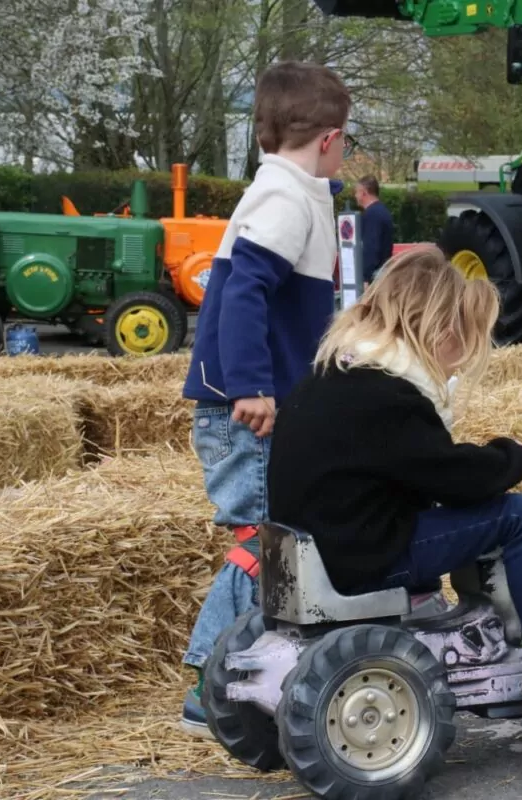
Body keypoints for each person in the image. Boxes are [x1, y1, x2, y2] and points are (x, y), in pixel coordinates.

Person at [265, 245, 522, 719]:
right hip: (360, 557)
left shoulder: (331, 376)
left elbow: (413, 469)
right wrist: (513, 453)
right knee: (517, 517)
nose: (460, 362)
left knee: (432, 513)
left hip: (322, 548)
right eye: (463, 341)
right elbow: (460, 480)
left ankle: (439, 614)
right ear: (441, 329)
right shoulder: (389, 398)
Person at [178, 59, 353, 737]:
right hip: (246, 408)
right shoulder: (284, 197)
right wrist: (250, 385)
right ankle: (211, 682)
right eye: (346, 139)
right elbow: (243, 292)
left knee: (278, 538)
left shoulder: (296, 191)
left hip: (267, 403)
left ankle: (249, 672)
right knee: (263, 542)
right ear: (330, 139)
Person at [355, 175, 395, 288]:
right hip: (384, 271)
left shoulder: (372, 215)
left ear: (364, 193)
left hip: (375, 276)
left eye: (357, 192)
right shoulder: (382, 211)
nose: (355, 196)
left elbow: (371, 247)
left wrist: (366, 277)